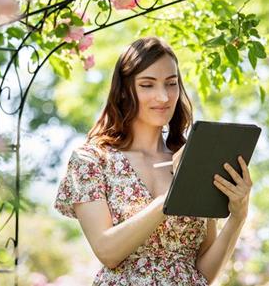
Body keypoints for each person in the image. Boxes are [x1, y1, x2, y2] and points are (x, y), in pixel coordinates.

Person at [54, 37, 253, 285]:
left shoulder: (191, 159)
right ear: (125, 91)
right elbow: (107, 251)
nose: (163, 97)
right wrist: (170, 197)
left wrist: (237, 216)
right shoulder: (92, 161)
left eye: (171, 84)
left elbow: (203, 273)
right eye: (147, 85)